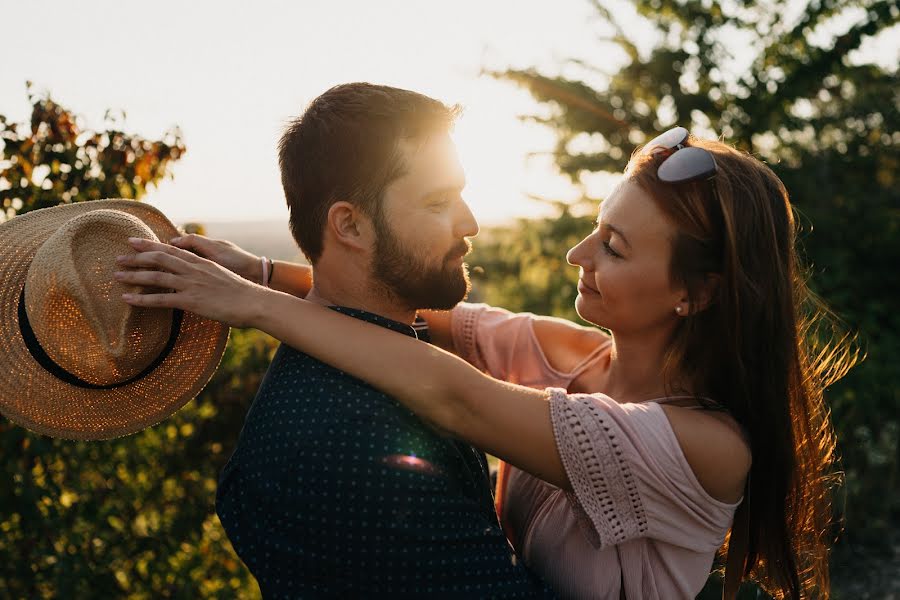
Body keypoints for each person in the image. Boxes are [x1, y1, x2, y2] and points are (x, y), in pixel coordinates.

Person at [116, 126, 855, 599]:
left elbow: (458, 398)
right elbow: (414, 321)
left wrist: (252, 309)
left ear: (697, 293)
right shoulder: (573, 357)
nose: (579, 255)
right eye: (598, 229)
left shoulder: (705, 447)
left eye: (616, 249)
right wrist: (257, 271)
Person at [118, 83, 553, 597]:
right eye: (438, 201)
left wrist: (260, 275)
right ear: (350, 224)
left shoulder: (375, 357)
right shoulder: (354, 442)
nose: (470, 222)